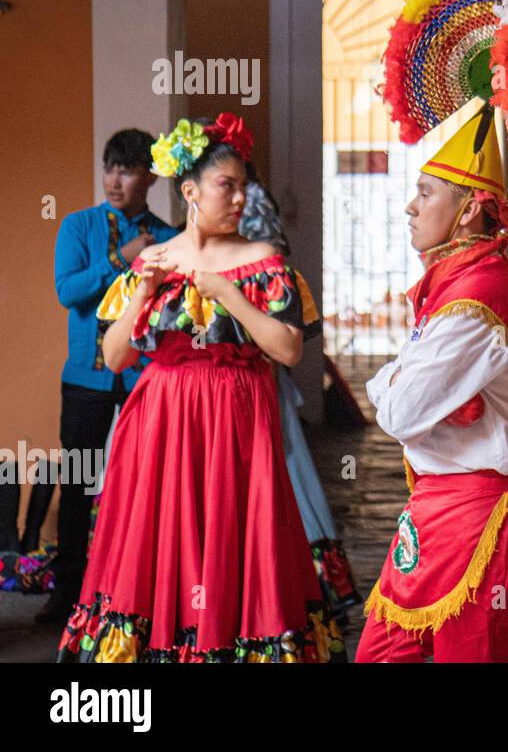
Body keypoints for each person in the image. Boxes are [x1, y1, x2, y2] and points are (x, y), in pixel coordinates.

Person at [58, 114, 343, 662]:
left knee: (234, 533)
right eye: (226, 186)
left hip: (235, 423)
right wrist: (142, 292)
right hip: (160, 424)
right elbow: (115, 356)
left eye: (243, 187)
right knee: (160, 538)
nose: (239, 199)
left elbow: (286, 350)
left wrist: (226, 294)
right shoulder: (155, 260)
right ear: (189, 191)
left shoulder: (263, 262)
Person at [356, 100, 508, 663]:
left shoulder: (474, 299)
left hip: (482, 506)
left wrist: (392, 382)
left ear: (468, 211)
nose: (409, 208)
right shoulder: (454, 286)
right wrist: (397, 382)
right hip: (438, 506)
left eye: (426, 194)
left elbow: (398, 414)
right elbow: (403, 397)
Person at [41, 129, 179, 625]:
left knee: (149, 486)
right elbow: (68, 292)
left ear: (150, 176)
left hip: (146, 381)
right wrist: (124, 256)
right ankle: (66, 593)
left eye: (126, 170)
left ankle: (143, 595)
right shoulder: (78, 227)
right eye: (109, 168)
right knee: (77, 483)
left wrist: (149, 250)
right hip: (86, 379)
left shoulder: (169, 238)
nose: (114, 180)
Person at [237, 168, 360, 618]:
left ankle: (286, 592)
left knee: (279, 474)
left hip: (256, 371)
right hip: (216, 390)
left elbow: (278, 315)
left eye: (236, 186)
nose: (234, 199)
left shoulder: (257, 237)